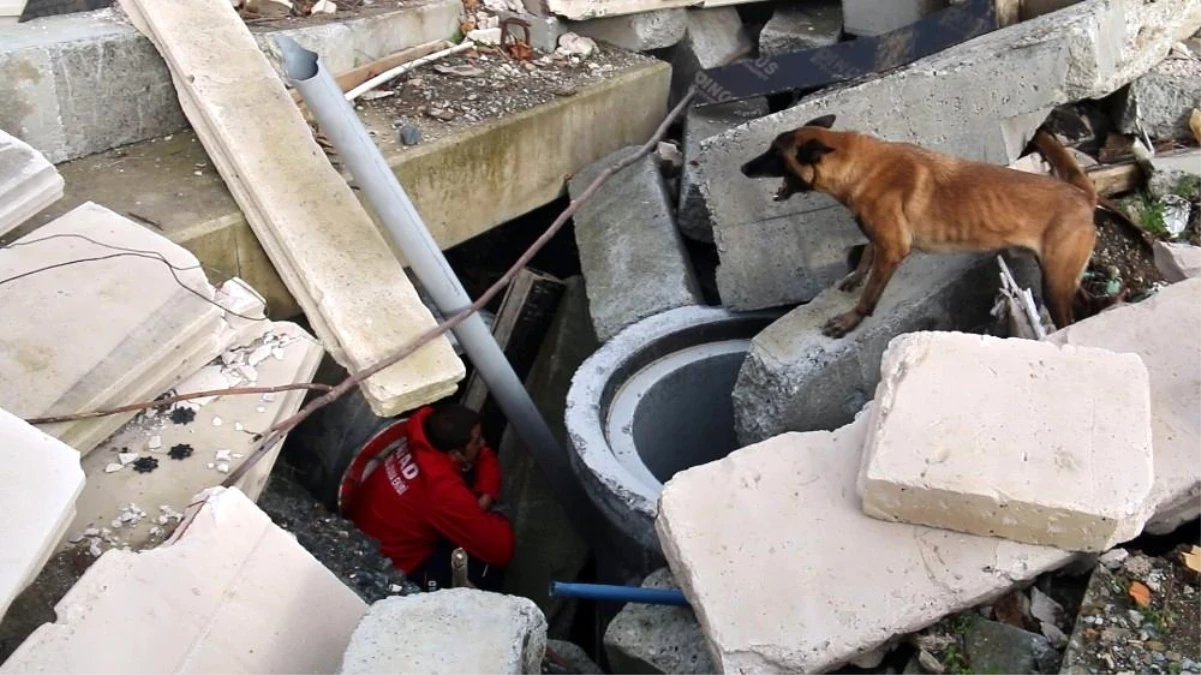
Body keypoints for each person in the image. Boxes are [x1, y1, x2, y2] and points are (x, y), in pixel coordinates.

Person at [346, 403, 514, 592]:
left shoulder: (423, 437)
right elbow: (501, 549)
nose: (482, 443)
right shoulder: (441, 491)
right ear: (454, 454)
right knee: (486, 567)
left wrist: (486, 489)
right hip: (395, 566)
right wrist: (488, 507)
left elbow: (482, 453)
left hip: (373, 532)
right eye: (476, 441)